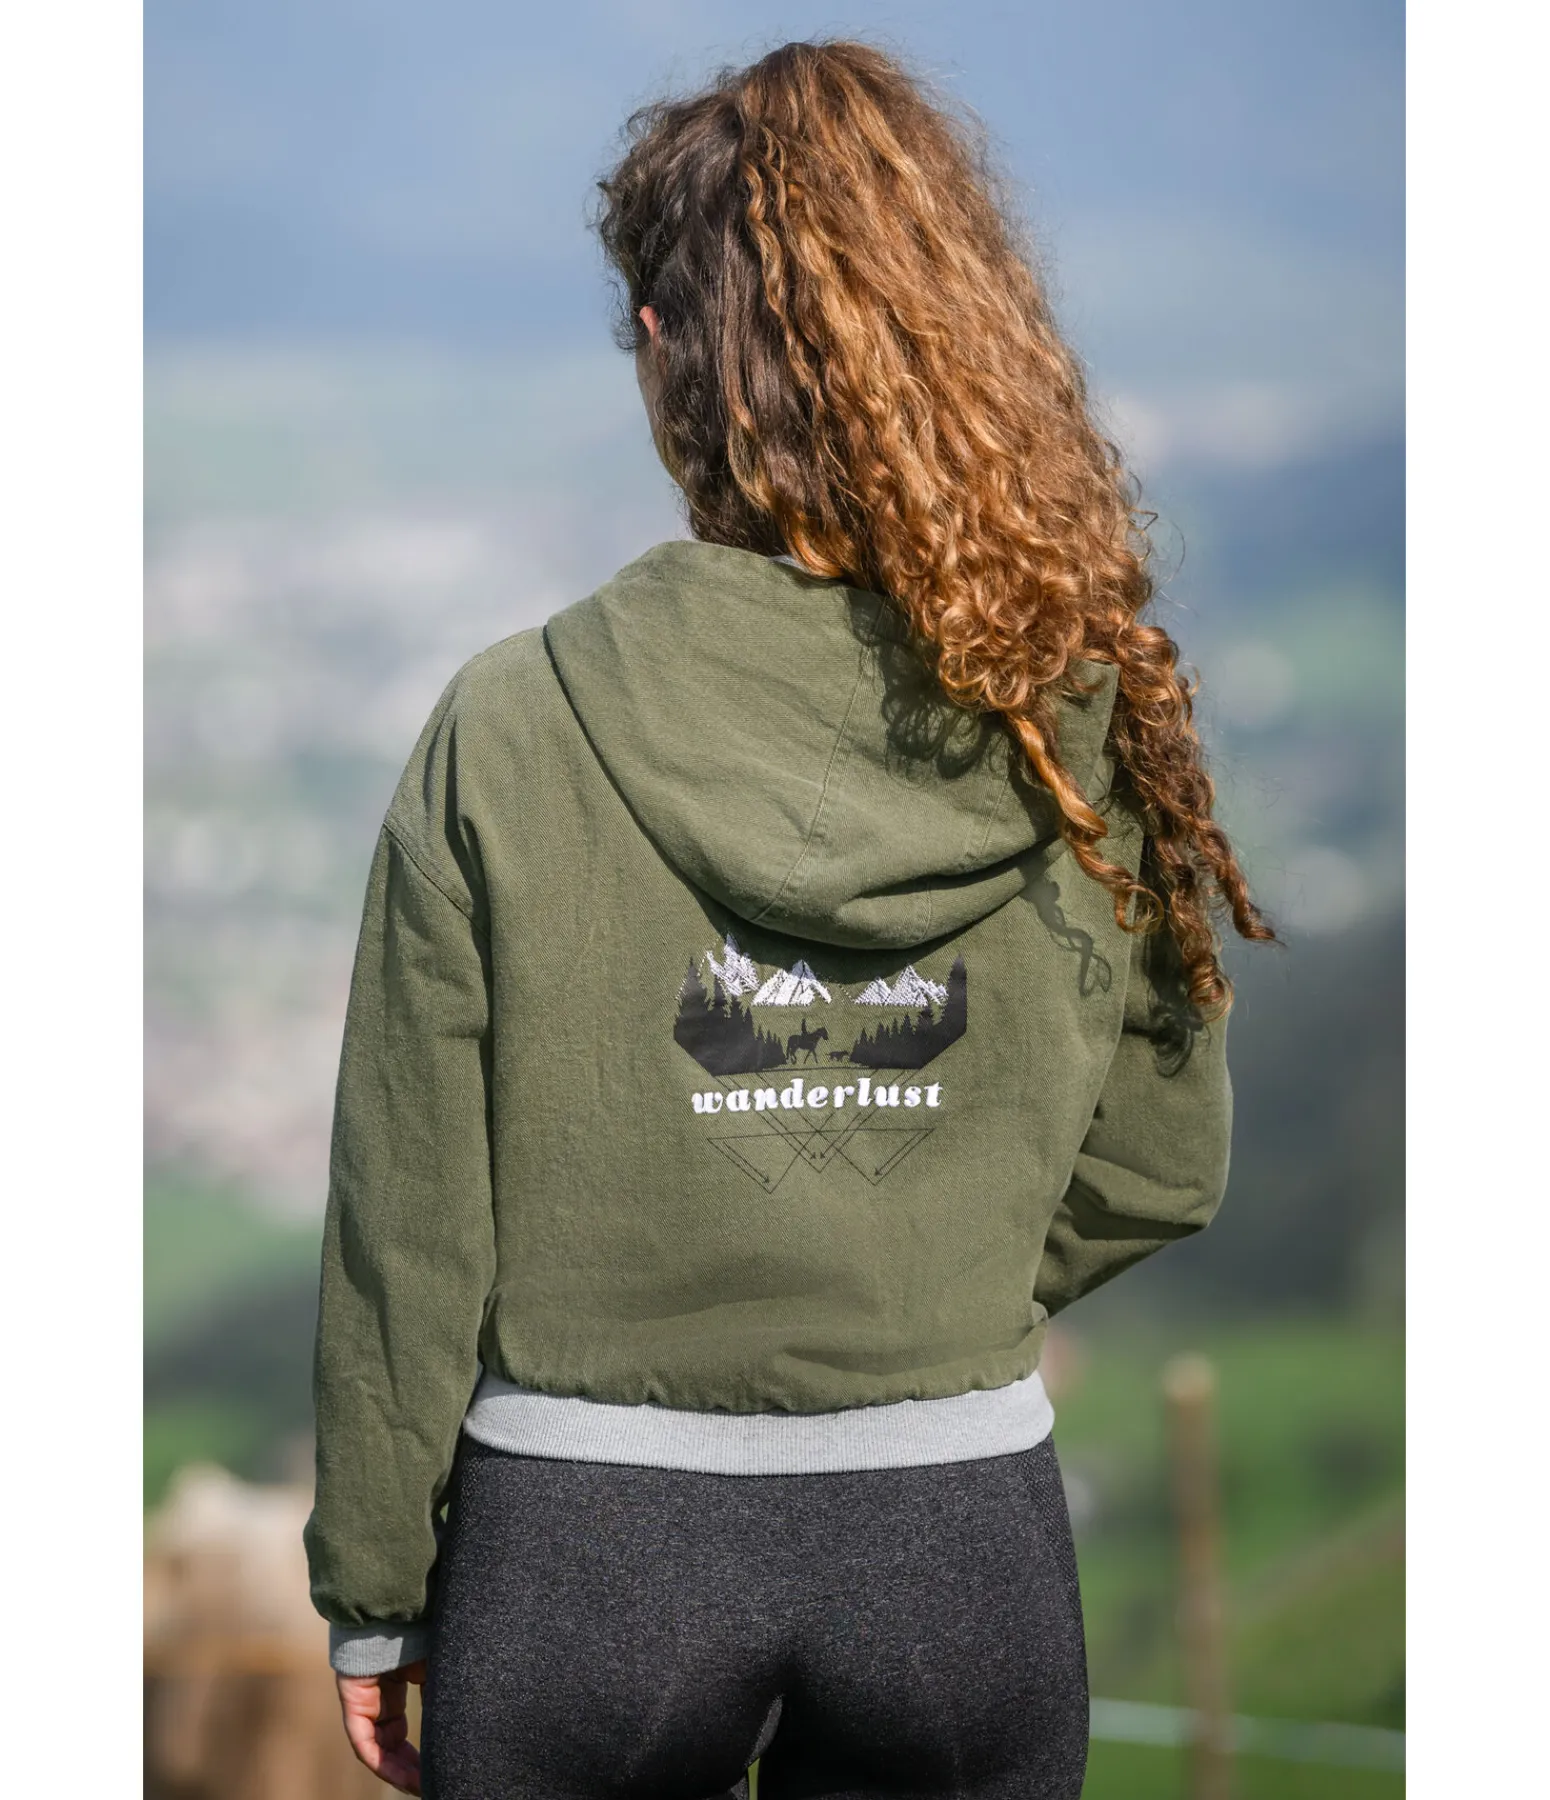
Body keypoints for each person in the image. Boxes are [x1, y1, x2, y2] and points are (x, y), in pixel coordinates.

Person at [305, 38, 1274, 1800]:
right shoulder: (1071, 718)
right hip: (957, 1544)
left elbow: (408, 1229)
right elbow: (1159, 1166)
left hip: (579, 1557)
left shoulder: (507, 724)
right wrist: (911, 1280)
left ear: (664, 351)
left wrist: (375, 1594)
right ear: (952, 335)